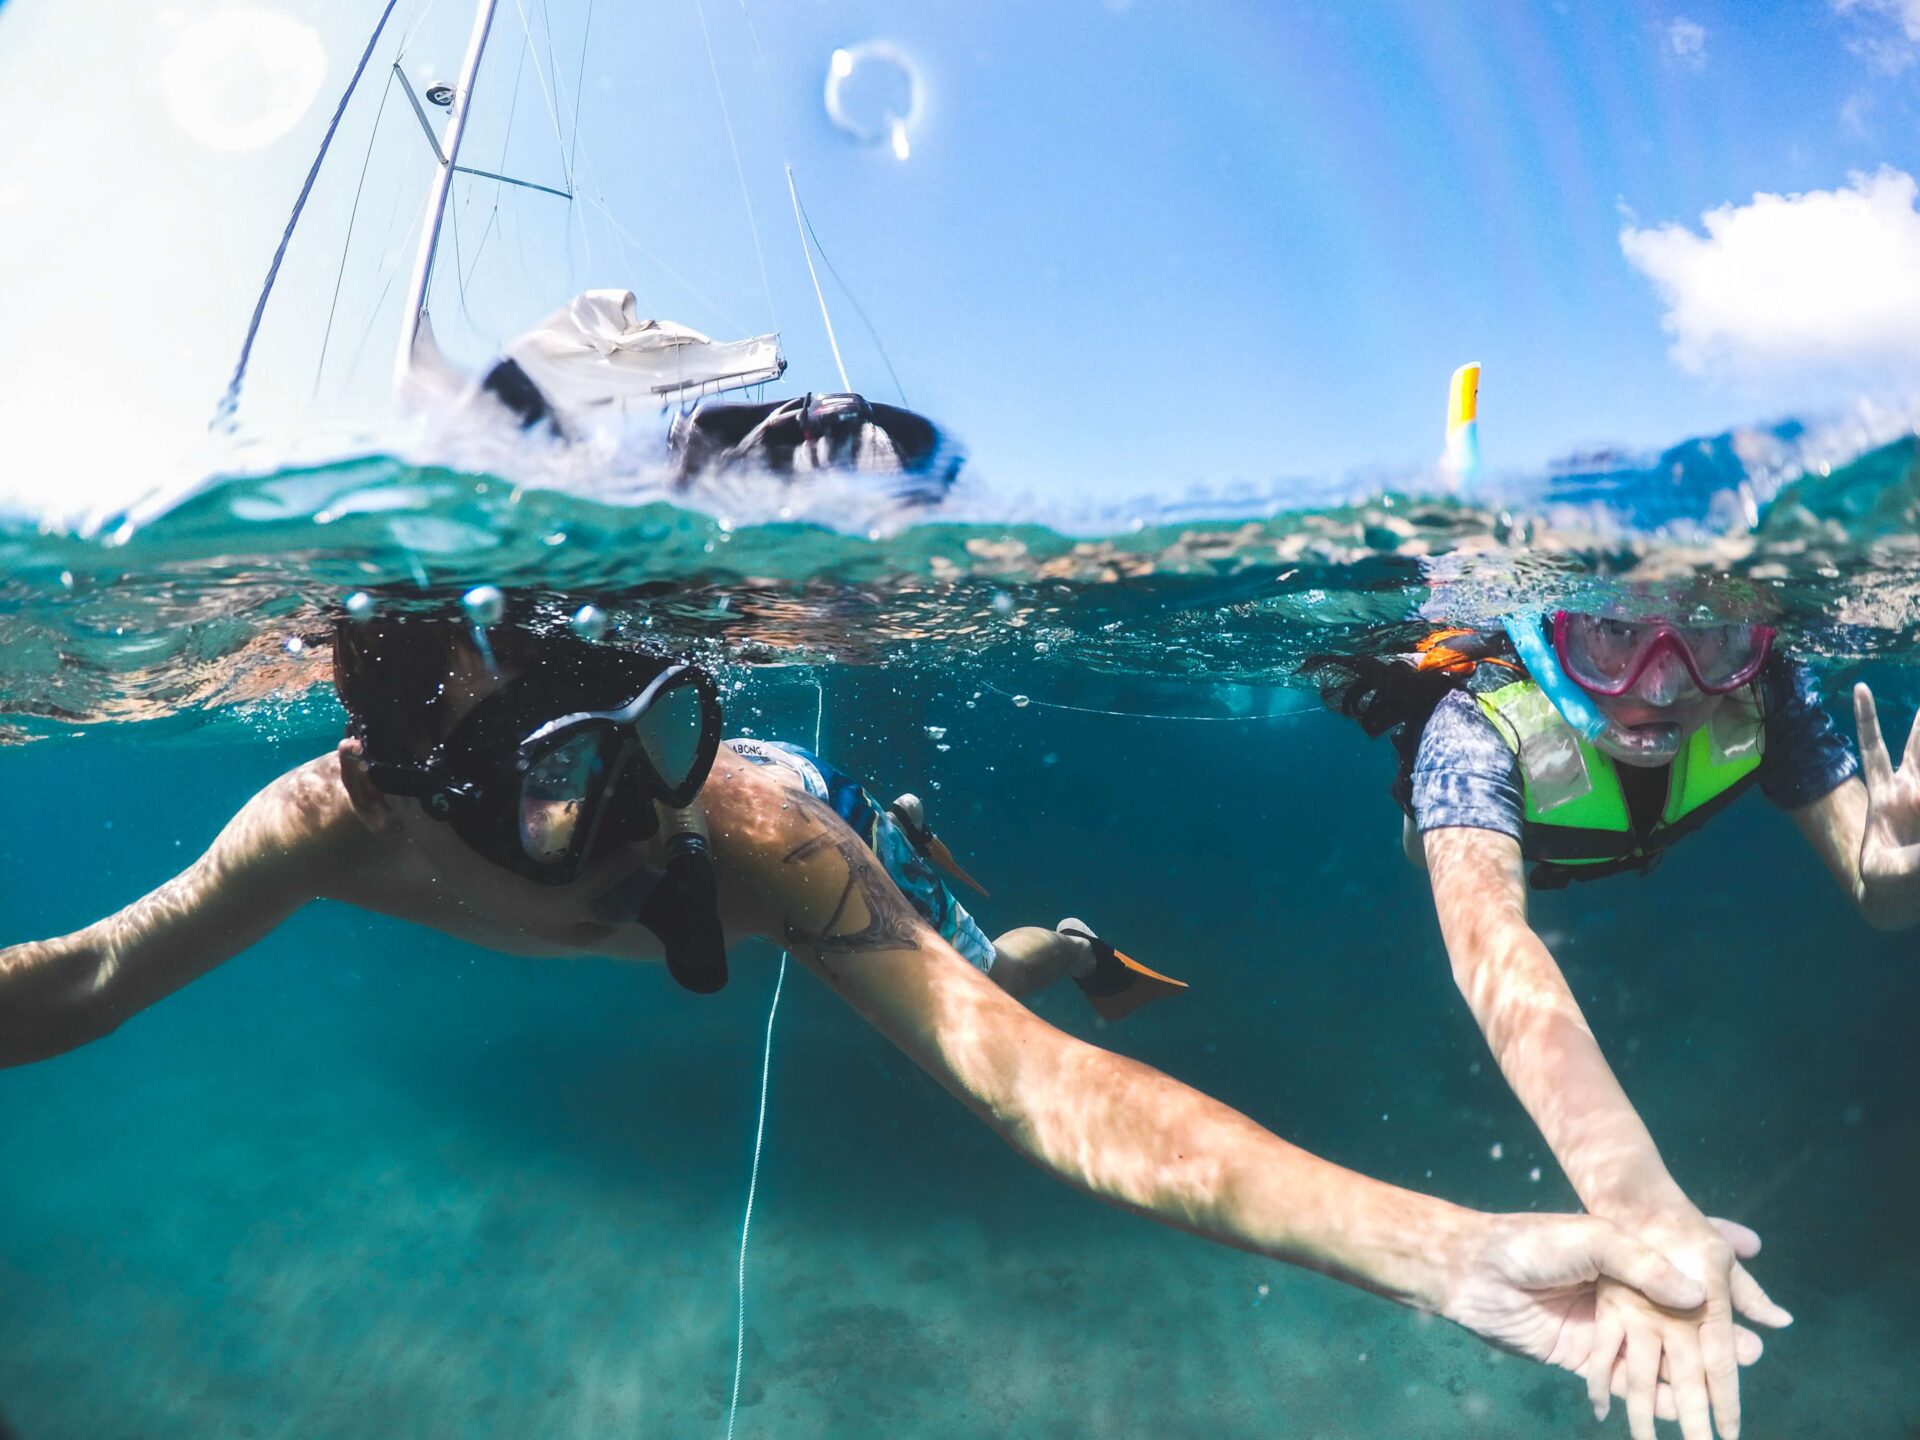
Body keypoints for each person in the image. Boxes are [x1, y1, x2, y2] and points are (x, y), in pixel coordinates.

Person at [0, 593, 1759, 1423]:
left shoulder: (733, 821)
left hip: (811, 820)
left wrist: (1439, 1249)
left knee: (988, 974)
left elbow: (1030, 1087)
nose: (635, 815)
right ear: (406, 785)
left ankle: (1047, 918)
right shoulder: (326, 825)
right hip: (740, 858)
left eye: (660, 739)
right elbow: (82, 977)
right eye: (563, 786)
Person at [1312, 601, 1920, 1440]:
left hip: (1604, 829)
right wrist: (1634, 1197)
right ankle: (1426, 814)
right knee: (1428, 842)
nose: (1665, 684)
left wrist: (1895, 880)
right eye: (1615, 634)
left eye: (1710, 638)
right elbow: (1490, 941)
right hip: (1503, 824)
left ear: (1754, 639)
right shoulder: (1476, 726)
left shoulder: (1766, 693)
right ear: (1544, 633)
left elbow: (1879, 899)